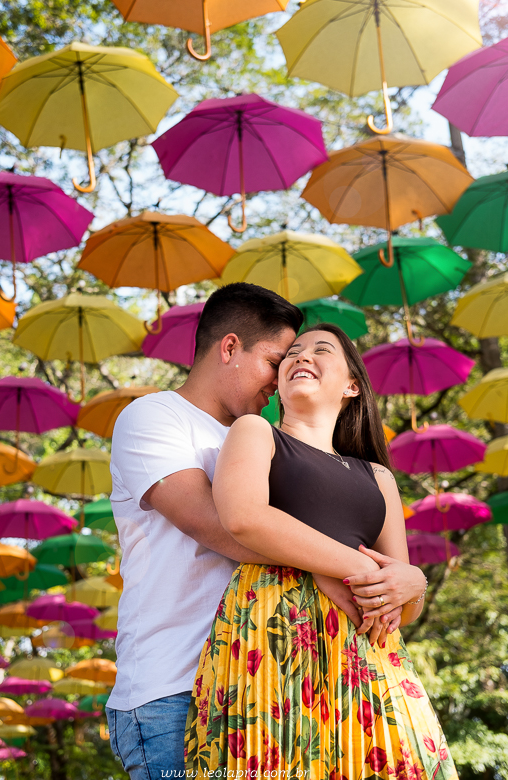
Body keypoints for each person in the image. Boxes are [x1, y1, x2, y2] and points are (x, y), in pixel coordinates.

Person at [105, 284, 410, 780]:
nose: (280, 375)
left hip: (265, 681)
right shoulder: (155, 416)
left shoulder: (261, 440)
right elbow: (220, 525)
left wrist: (408, 579)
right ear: (230, 347)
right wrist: (341, 566)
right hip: (175, 688)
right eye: (275, 360)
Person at [185, 324, 457, 779]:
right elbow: (243, 517)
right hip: (275, 633)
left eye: (321, 350)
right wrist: (353, 565)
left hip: (369, 653)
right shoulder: (256, 431)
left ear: (352, 386)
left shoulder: (378, 477)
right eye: (292, 353)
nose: (301, 356)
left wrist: (415, 583)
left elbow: (401, 607)